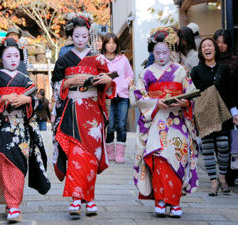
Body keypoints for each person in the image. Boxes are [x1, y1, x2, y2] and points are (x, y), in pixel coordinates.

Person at [0, 38, 49, 222]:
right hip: (0, 127)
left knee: (18, 165)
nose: (13, 59)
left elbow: (38, 100)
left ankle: (13, 204)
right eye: (8, 56)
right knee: (4, 162)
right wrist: (4, 98)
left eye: (16, 55)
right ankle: (13, 205)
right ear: (1, 59)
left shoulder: (25, 79)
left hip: (20, 127)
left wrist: (28, 100)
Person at [52, 14, 116, 217]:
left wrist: (106, 79)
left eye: (84, 36)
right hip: (71, 108)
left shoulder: (98, 58)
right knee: (76, 155)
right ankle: (76, 199)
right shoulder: (64, 59)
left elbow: (110, 82)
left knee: (91, 156)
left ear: (89, 35)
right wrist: (68, 83)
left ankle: (89, 198)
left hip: (92, 111)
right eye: (77, 36)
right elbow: (56, 85)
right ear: (71, 35)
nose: (80, 40)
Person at [133, 27, 198, 218]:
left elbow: (191, 94)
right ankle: (160, 200)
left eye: (165, 52)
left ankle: (175, 202)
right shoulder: (146, 73)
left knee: (178, 156)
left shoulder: (181, 71)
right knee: (159, 159)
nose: (161, 56)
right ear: (152, 52)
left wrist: (186, 102)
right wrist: (155, 102)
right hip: (156, 121)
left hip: (177, 120)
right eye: (157, 52)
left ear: (172, 51)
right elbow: (139, 95)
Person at [191, 38, 233, 196]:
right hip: (204, 114)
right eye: (204, 46)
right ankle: (214, 181)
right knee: (207, 149)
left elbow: (231, 91)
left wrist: (234, 112)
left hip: (222, 114)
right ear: (201, 51)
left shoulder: (224, 69)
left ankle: (222, 176)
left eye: (209, 45)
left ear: (215, 49)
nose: (207, 48)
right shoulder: (196, 70)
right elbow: (192, 92)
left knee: (223, 146)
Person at [102, 32, 134, 163]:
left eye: (114, 43)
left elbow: (130, 75)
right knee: (109, 126)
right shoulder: (100, 59)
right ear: (104, 44)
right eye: (108, 43)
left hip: (122, 95)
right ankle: (110, 154)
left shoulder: (123, 59)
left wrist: (126, 83)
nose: (111, 45)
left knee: (121, 125)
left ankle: (120, 155)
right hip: (108, 96)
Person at [213, 29, 238, 186]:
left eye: (223, 42)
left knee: (232, 141)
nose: (220, 45)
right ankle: (225, 172)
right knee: (219, 143)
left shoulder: (234, 62)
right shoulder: (209, 61)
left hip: (232, 107)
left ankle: (232, 173)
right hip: (215, 107)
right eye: (217, 42)